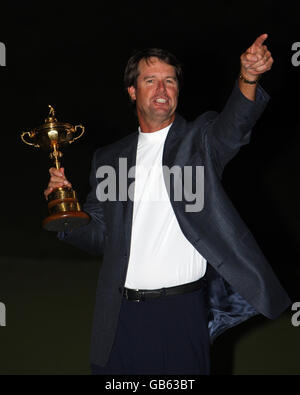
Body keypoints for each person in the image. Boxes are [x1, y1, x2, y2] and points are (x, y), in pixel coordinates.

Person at [44, 34, 291, 375]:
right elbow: (100, 236)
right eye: (151, 80)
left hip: (181, 313)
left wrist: (248, 78)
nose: (162, 89)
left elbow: (234, 126)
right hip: (118, 315)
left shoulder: (199, 141)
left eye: (170, 81)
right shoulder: (110, 159)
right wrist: (66, 214)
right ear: (132, 91)